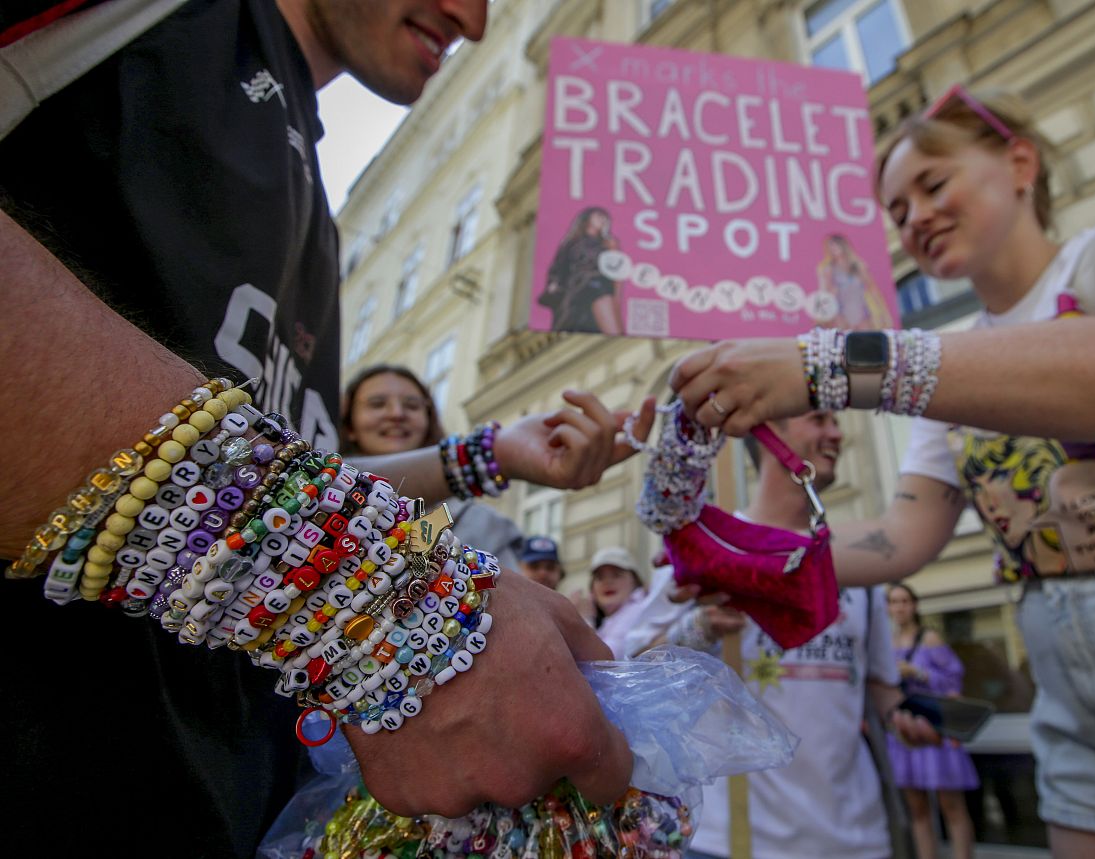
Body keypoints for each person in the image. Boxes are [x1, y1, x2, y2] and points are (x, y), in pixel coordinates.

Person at [0, 1, 654, 855]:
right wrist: (376, 601)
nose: (475, 20)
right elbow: (282, 513)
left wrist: (487, 455)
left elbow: (292, 472)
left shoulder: (318, 206)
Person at [667, 86, 1095, 859]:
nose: (914, 218)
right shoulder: (954, 371)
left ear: (1019, 162)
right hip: (1063, 655)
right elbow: (901, 537)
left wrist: (830, 364)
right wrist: (737, 558)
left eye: (933, 184)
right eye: (896, 211)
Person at [625, 410, 937, 859]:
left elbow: (881, 691)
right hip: (734, 841)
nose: (837, 432)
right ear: (771, 436)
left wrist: (907, 720)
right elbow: (629, 671)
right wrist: (697, 630)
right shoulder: (709, 548)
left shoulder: (854, 562)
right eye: (819, 419)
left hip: (857, 841)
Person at [341, 363, 524, 571]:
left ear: (428, 420)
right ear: (349, 426)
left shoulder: (481, 521)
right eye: (377, 404)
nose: (397, 413)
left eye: (412, 406)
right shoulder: (317, 498)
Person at [885, 583, 978, 859]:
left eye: (904, 601)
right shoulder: (886, 643)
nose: (899, 607)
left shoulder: (930, 639)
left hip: (934, 730)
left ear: (914, 605)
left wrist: (919, 673)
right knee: (918, 810)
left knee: (951, 806)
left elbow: (953, 682)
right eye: (893, 602)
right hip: (903, 729)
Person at [539, 205, 624, 334]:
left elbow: (617, 272)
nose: (603, 220)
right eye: (599, 216)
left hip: (601, 285)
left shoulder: (608, 243)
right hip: (578, 286)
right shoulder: (571, 242)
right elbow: (558, 268)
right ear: (587, 218)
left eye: (605, 218)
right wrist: (553, 284)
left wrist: (613, 249)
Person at [816, 233, 895, 330]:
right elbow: (824, 295)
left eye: (836, 244)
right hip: (842, 316)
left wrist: (882, 313)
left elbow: (872, 289)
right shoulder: (828, 270)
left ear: (843, 245)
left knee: (868, 341)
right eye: (831, 246)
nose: (834, 248)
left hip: (861, 313)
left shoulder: (858, 266)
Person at [580, 545, 647, 659]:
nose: (607, 582)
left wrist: (584, 619)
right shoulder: (612, 619)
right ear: (592, 590)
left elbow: (603, 659)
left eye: (617, 575)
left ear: (635, 581)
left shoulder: (637, 609)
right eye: (600, 577)